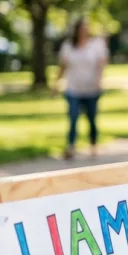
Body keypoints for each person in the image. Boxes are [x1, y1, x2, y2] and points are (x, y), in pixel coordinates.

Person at [53, 18, 108, 160]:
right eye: (82, 28)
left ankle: (93, 145)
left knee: (91, 118)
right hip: (73, 88)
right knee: (73, 117)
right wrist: (56, 83)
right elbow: (63, 66)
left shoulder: (96, 44)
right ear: (77, 30)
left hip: (91, 89)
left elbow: (101, 64)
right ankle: (71, 147)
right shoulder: (68, 46)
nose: (84, 30)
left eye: (86, 27)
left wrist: (99, 80)